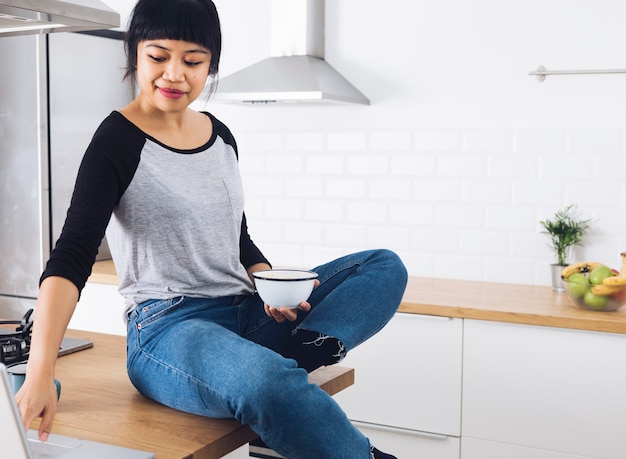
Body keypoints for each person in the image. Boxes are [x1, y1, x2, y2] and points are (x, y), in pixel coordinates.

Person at [16, 0, 408, 458]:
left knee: (382, 266)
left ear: (211, 64)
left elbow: (236, 237)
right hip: (169, 327)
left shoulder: (220, 136)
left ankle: (292, 366)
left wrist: (269, 284)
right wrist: (40, 369)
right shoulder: (117, 139)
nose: (175, 74)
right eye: (158, 57)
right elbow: (72, 256)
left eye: (194, 60)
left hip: (245, 311)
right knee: (266, 380)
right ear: (135, 55)